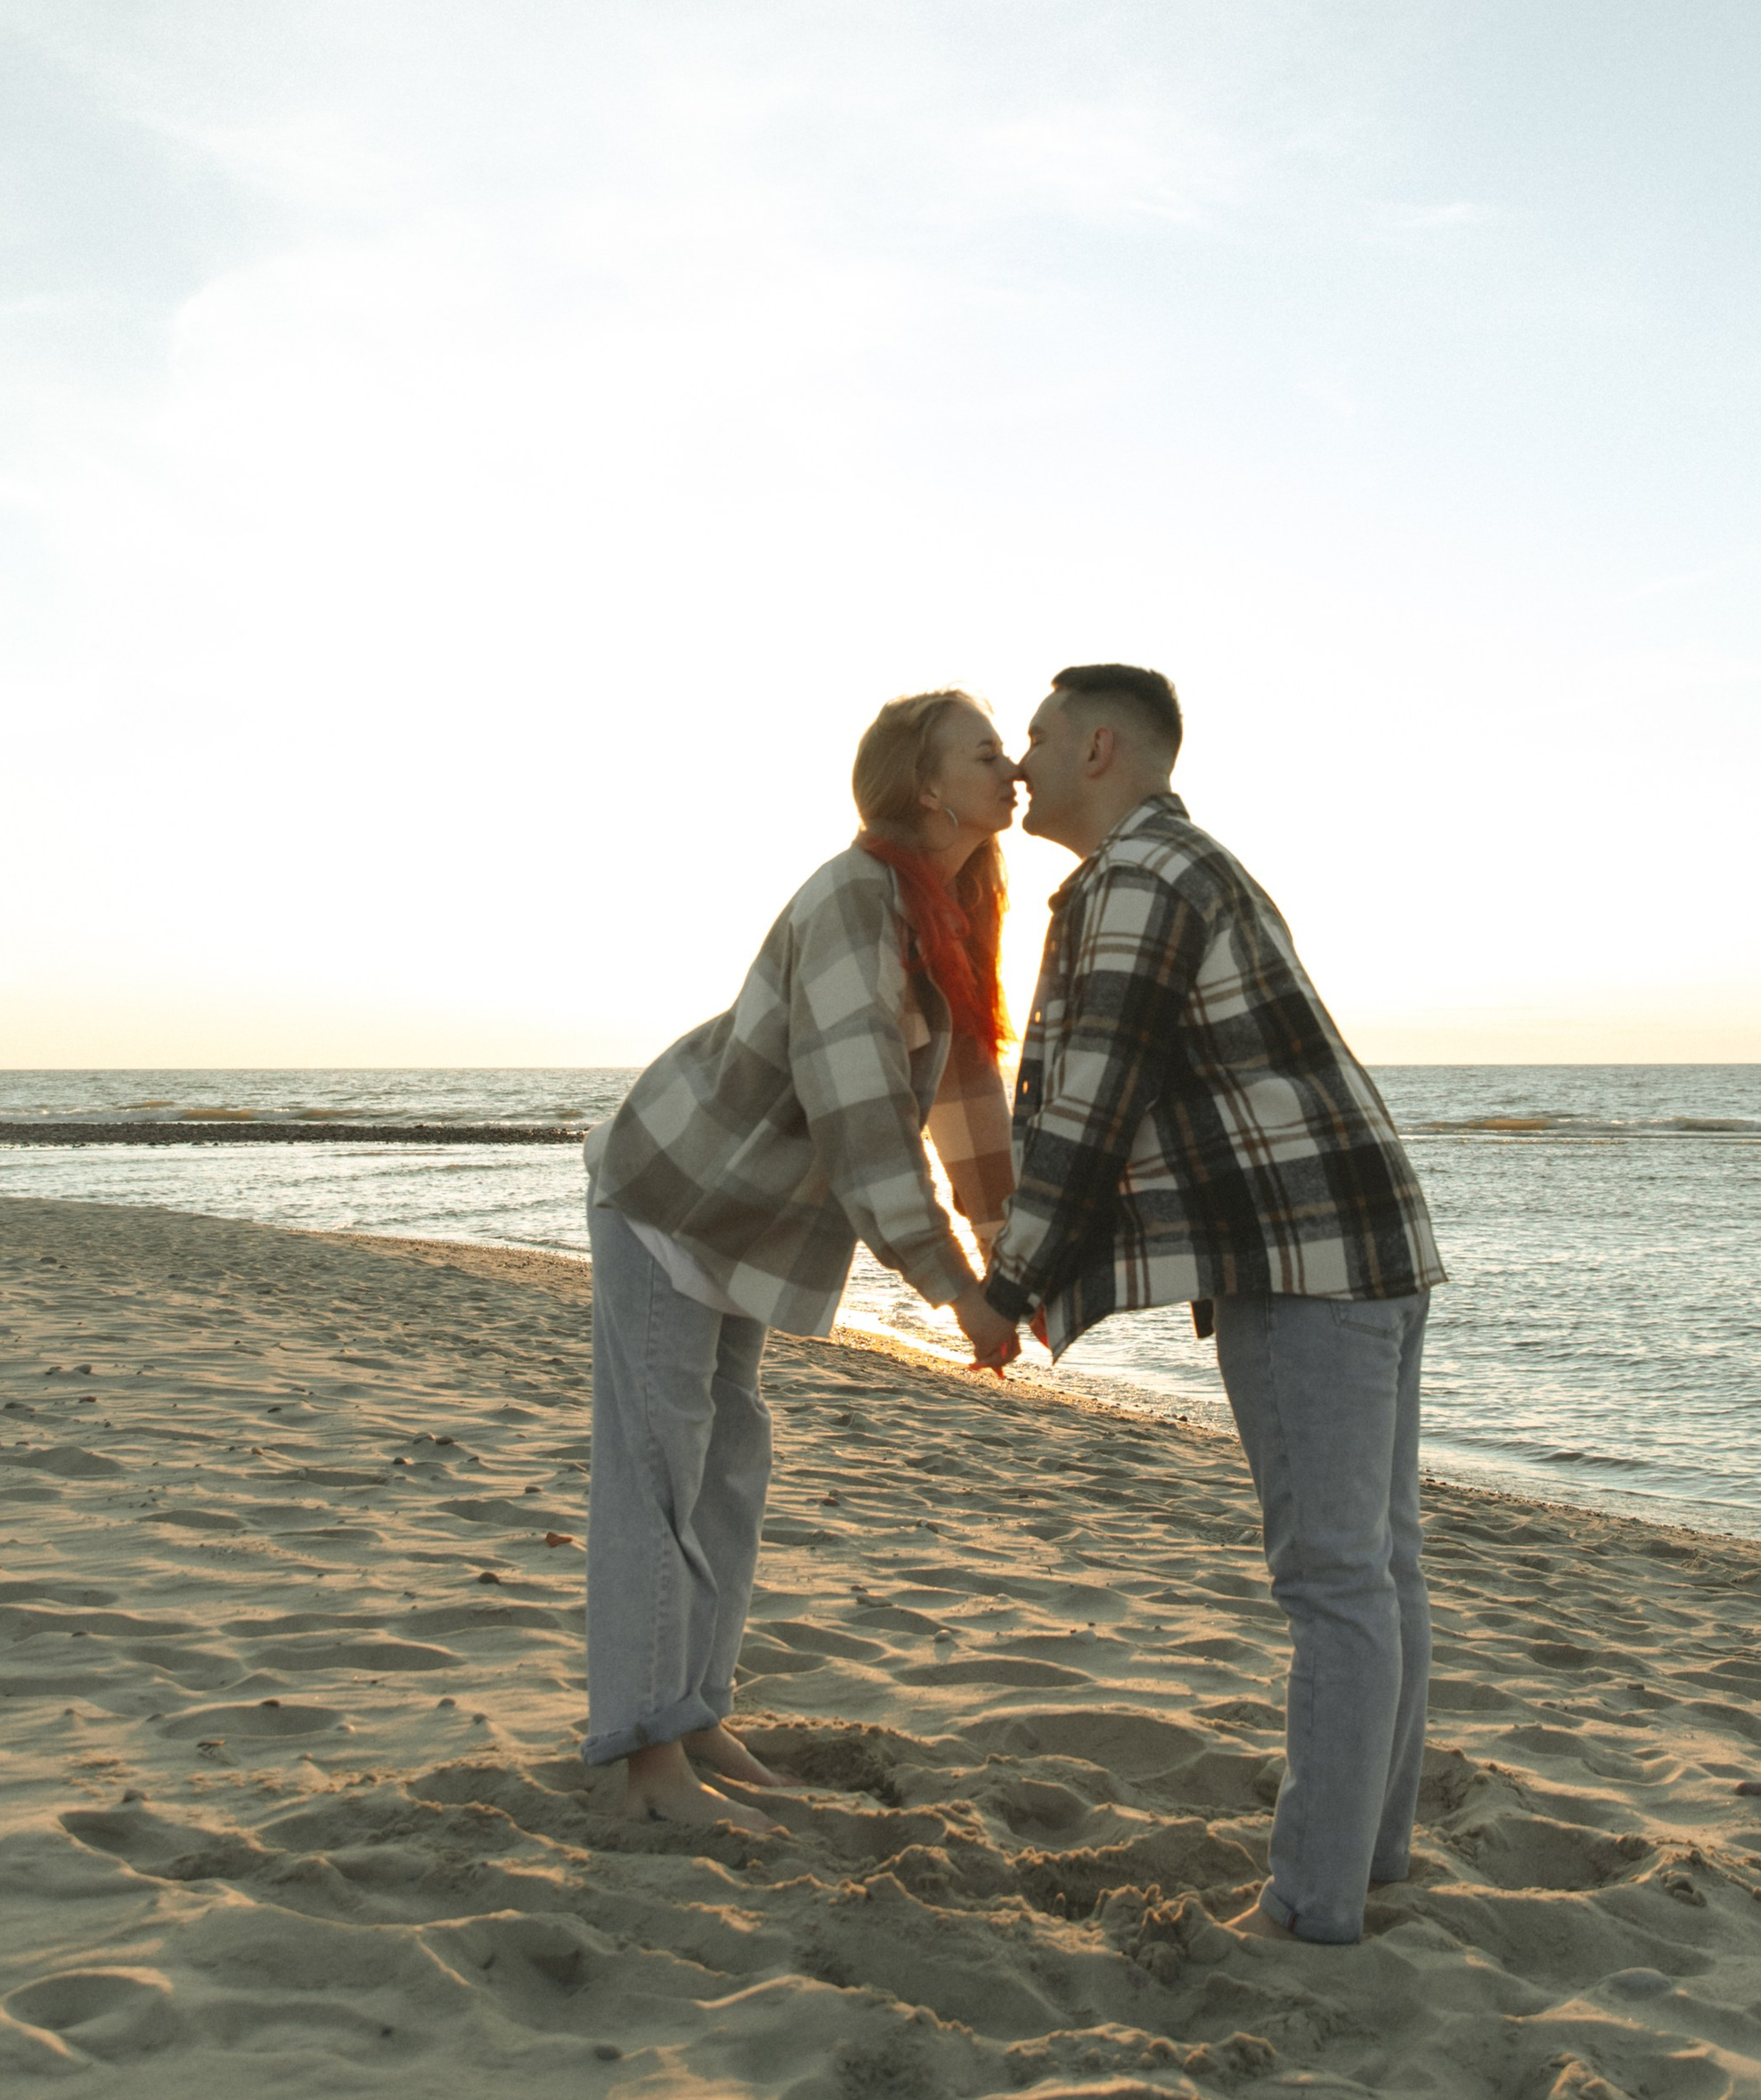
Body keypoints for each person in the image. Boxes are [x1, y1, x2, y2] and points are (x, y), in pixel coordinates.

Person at [980, 664, 1447, 1945]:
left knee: (1336, 1580)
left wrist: (1009, 1286)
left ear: (1102, 749)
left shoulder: (1138, 881)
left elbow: (1090, 1104)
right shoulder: (1191, 865)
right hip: (1369, 1239)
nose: (1018, 763)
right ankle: (1373, 1858)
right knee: (1379, 1569)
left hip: (1306, 1260)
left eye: (1036, 736)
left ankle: (1311, 1907)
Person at [583, 689, 1022, 1830]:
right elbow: (865, 1119)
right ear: (926, 785)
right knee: (659, 1473)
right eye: (987, 753)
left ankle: (691, 1712)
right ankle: (645, 1768)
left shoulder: (958, 901)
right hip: (675, 1197)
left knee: (731, 1461)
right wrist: (954, 1291)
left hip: (751, 1223)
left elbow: (969, 1090)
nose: (1014, 767)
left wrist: (1006, 1248)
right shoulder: (854, 899)